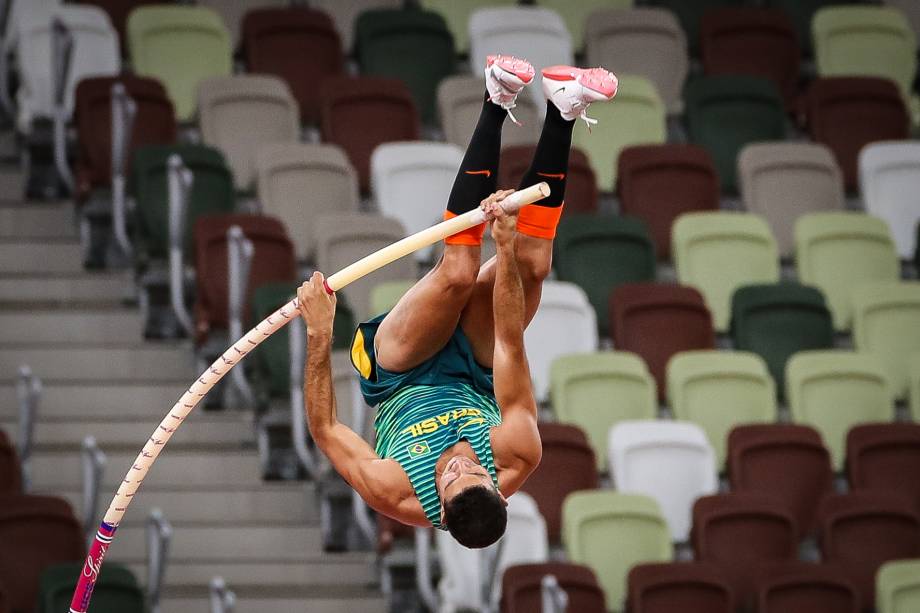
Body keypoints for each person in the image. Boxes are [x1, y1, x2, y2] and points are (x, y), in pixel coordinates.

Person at [297, 55, 617, 548]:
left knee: (458, 274)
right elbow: (510, 343)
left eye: (450, 475)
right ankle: (562, 111)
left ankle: (496, 99)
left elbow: (325, 428)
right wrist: (505, 246)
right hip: (475, 371)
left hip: (401, 375)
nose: (459, 461)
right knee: (532, 269)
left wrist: (320, 334)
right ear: (499, 489)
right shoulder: (517, 453)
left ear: (439, 506)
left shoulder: (395, 493)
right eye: (473, 469)